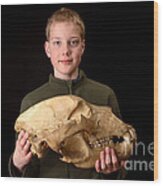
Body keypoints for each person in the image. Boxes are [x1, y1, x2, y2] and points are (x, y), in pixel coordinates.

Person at [8, 7, 125, 179]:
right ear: (47, 49)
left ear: (83, 47)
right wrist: (17, 164)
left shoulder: (104, 96)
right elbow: (27, 172)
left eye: (73, 42)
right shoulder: (32, 102)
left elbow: (119, 160)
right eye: (57, 42)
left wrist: (112, 172)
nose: (65, 51)